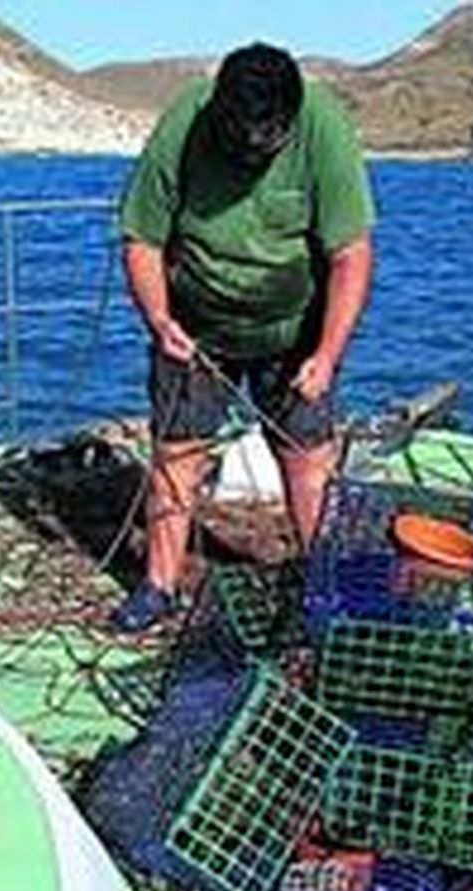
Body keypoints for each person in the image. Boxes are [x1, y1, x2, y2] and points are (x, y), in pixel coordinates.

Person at [112, 43, 375, 632]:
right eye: (241, 142)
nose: (252, 153)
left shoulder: (324, 128)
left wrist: (327, 355)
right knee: (178, 455)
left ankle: (320, 591)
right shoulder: (185, 122)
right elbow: (141, 239)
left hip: (294, 330)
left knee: (308, 459)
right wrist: (159, 321)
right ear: (219, 114)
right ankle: (158, 587)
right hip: (195, 327)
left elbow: (351, 255)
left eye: (267, 143)